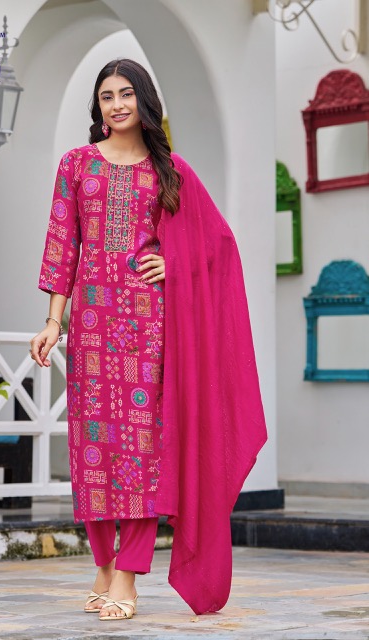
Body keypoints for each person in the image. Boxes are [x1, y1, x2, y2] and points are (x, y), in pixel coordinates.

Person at [30, 58, 267, 620]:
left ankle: (129, 575)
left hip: (146, 326)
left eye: (126, 94)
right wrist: (54, 322)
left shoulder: (169, 172)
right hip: (91, 326)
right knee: (92, 450)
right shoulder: (76, 164)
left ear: (144, 101)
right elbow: (63, 245)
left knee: (139, 452)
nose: (116, 105)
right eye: (106, 96)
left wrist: (173, 263)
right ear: (98, 106)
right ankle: (104, 562)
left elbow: (218, 244)